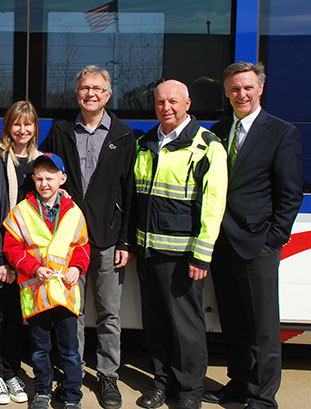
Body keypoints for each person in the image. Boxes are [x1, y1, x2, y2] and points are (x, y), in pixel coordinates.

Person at [202, 62, 303, 409]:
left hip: (258, 243)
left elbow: (290, 195)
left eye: (247, 88)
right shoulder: (218, 129)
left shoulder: (281, 133)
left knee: (262, 327)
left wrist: (273, 238)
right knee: (233, 321)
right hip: (223, 242)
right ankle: (239, 384)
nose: (240, 94)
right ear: (227, 92)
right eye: (234, 89)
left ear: (260, 89)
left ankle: (263, 397)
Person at [40, 65, 136, 409]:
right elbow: (45, 179)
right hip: (68, 240)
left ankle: (108, 374)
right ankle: (72, 371)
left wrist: (126, 241)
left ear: (108, 95)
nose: (90, 93)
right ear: (77, 93)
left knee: (110, 312)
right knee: (72, 312)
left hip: (109, 239)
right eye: (84, 88)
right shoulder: (61, 129)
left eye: (97, 88)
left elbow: (131, 193)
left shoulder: (124, 135)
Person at [133, 80, 227, 409]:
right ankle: (162, 383)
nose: (166, 108)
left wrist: (201, 256)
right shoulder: (146, 143)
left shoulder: (206, 145)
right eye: (160, 102)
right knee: (156, 324)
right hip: (148, 252)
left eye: (173, 101)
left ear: (188, 103)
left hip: (184, 255)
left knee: (186, 326)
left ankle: (190, 392)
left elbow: (214, 205)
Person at [3, 153, 90, 409]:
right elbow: (12, 249)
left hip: (65, 292)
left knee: (69, 350)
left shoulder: (74, 212)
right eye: (39, 178)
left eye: (50, 178)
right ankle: (42, 391)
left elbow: (82, 246)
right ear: (33, 179)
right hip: (37, 292)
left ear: (62, 179)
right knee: (39, 348)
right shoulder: (21, 211)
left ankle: (72, 395)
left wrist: (77, 267)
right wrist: (33, 268)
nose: (44, 183)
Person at [0, 101, 41, 405]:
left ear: (34, 128)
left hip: (28, 256)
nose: (22, 130)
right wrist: (0, 259)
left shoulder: (42, 163)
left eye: (28, 125)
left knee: (17, 316)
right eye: (17, 124)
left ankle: (13, 371)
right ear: (8, 127)